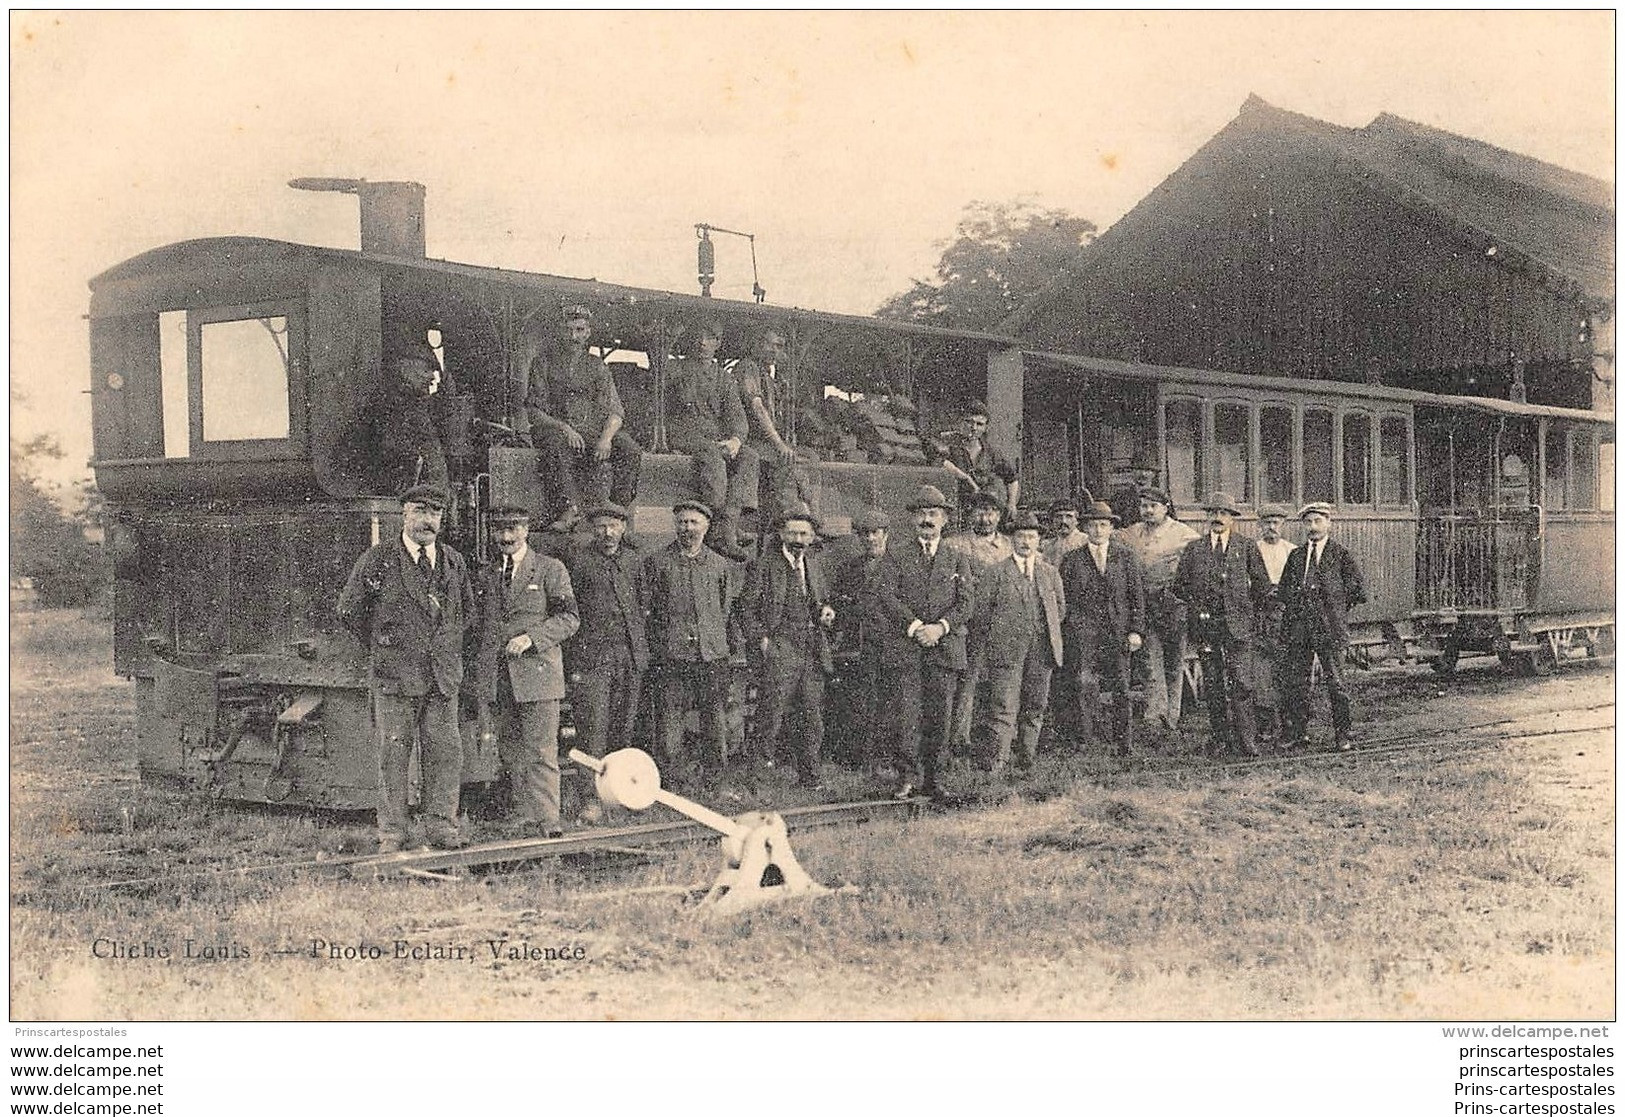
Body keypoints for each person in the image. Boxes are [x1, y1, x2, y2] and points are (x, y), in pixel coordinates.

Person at [336, 484, 475, 853]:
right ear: (404, 514)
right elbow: (349, 610)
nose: (427, 520)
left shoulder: (453, 562)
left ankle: (442, 827)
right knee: (393, 756)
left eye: (435, 513)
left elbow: (467, 616)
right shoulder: (379, 559)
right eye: (419, 511)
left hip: (441, 680)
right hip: (395, 678)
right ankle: (392, 833)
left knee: (445, 753)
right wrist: (385, 644)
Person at [474, 506, 580, 838]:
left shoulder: (550, 569)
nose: (506, 537)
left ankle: (549, 821)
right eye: (499, 530)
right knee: (509, 750)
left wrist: (531, 639)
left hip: (538, 676)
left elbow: (568, 619)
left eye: (513, 529)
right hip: (501, 678)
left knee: (542, 752)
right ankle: (522, 815)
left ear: (526, 530)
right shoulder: (487, 575)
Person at [874, 485, 975, 799]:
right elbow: (886, 596)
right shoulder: (896, 555)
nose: (927, 520)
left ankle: (935, 779)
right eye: (921, 514)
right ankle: (908, 777)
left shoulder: (957, 557)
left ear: (944, 519)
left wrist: (940, 628)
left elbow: (966, 603)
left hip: (944, 649)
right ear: (912, 519)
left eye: (933, 514)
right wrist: (917, 626)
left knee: (940, 717)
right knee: (908, 716)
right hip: (907, 649)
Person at [642, 500, 741, 784]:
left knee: (714, 719)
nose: (687, 528)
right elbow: (652, 609)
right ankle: (670, 781)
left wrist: (712, 639)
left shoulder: (719, 564)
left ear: (706, 526)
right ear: (675, 526)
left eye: (693, 522)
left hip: (710, 655)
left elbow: (724, 609)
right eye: (682, 522)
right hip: (672, 656)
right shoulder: (659, 562)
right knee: (670, 719)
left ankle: (716, 780)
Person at [521, 305, 642, 532]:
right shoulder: (543, 362)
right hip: (556, 429)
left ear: (587, 333)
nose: (572, 337)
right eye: (567, 330)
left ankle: (617, 509)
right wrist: (564, 427)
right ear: (559, 331)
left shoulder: (597, 366)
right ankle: (568, 511)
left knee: (629, 449)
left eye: (579, 330)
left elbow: (616, 411)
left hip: (591, 432)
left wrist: (605, 439)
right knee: (555, 444)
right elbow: (534, 412)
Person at [740, 504, 836, 787]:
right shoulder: (763, 565)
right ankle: (756, 779)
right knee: (770, 716)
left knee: (812, 717)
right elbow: (745, 610)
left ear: (811, 537)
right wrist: (762, 640)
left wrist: (826, 610)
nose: (798, 539)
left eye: (804, 534)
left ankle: (810, 776)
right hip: (780, 649)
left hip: (811, 651)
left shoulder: (814, 565)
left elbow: (822, 600)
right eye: (792, 532)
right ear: (781, 533)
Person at [1172, 492, 1270, 757]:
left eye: (1223, 513)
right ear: (1207, 517)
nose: (1218, 518)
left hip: (1238, 627)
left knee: (1242, 682)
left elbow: (1261, 585)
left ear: (1232, 518)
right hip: (1207, 628)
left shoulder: (1246, 546)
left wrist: (1246, 611)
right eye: (1213, 513)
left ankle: (1246, 739)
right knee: (1213, 684)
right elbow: (1180, 586)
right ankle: (1220, 739)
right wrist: (1198, 606)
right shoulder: (1195, 549)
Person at [969, 511, 1065, 775]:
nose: (1026, 541)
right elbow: (981, 614)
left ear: (1038, 541)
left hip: (1042, 649)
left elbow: (1060, 609)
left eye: (1031, 536)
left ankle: (1026, 759)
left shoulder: (1049, 573)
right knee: (1003, 707)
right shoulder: (996, 573)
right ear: (1012, 540)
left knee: (1035, 705)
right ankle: (998, 761)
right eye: (1021, 536)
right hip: (1006, 651)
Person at [664, 321, 758, 559]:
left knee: (749, 456)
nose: (702, 342)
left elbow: (737, 415)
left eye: (710, 337)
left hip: (712, 439)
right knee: (712, 456)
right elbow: (662, 380)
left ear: (718, 343)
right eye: (699, 336)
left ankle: (727, 525)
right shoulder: (677, 368)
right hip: (684, 434)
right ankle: (720, 528)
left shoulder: (723, 378)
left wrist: (736, 440)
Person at [1058, 501, 1145, 756]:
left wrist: (1136, 631)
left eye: (1103, 525)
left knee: (1121, 686)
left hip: (1118, 633)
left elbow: (1136, 597)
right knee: (1083, 684)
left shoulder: (1125, 557)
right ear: (1085, 528)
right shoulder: (1072, 560)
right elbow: (1066, 600)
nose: (1098, 530)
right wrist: (1074, 628)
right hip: (1084, 634)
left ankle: (1124, 742)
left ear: (1111, 528)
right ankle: (1084, 739)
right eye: (1093, 525)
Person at [1279, 502, 1368, 751]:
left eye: (1318, 521)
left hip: (1329, 631)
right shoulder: (1296, 556)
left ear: (1328, 523)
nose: (1313, 527)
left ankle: (1343, 734)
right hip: (1300, 630)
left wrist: (1335, 612)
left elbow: (1357, 591)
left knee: (1336, 684)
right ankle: (1298, 733)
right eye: (1308, 522)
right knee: (1297, 683)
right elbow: (1285, 591)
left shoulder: (1340, 555)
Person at [1117, 488, 1200, 732]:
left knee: (1174, 664)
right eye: (1144, 506)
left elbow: (1200, 557)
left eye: (1153, 506)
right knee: (1150, 663)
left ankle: (1171, 716)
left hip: (1173, 607)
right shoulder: (1132, 532)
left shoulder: (1184, 534)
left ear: (1166, 508)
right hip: (1145, 606)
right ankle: (1155, 717)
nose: (1148, 511)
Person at [944, 489, 1014, 757]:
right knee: (967, 683)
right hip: (969, 626)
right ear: (970, 514)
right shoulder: (955, 545)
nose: (985, 518)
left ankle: (1000, 738)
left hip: (1002, 626)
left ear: (999, 515)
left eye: (991, 512)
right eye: (980, 512)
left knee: (1003, 682)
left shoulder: (1009, 546)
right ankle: (960, 740)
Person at [830, 507, 898, 770]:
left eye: (875, 533)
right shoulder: (850, 568)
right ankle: (861, 759)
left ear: (885, 535)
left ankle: (886, 758)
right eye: (864, 534)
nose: (870, 538)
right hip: (858, 645)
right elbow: (838, 600)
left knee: (889, 703)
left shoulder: (896, 565)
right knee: (860, 702)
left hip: (889, 645)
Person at [732, 327, 814, 530]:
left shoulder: (767, 375)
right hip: (750, 441)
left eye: (779, 346)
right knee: (787, 462)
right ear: (758, 344)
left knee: (810, 459)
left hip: (765, 444)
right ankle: (794, 523)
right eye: (771, 344)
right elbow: (757, 408)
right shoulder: (748, 368)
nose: (775, 351)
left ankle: (808, 518)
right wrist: (779, 444)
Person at [369, 340, 450, 494]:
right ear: (405, 368)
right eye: (427, 370)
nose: (432, 378)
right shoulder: (392, 405)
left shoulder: (416, 406)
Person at [1253, 505, 1298, 745]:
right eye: (1267, 522)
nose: (1271, 527)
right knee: (1262, 672)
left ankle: (1288, 724)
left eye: (1276, 523)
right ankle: (1265, 724)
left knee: (1286, 670)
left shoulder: (1292, 551)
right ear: (1259, 525)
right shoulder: (1253, 550)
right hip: (1260, 616)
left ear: (1283, 525)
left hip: (1284, 616)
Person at [939, 400, 1019, 522]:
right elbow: (938, 460)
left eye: (979, 424)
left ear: (986, 427)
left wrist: (1011, 503)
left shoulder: (991, 453)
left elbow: (1012, 479)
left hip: (981, 514)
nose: (973, 428)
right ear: (961, 422)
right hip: (954, 510)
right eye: (969, 422)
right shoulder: (949, 446)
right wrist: (964, 476)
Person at [1041, 498, 1089, 568]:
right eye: (1058, 517)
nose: (1064, 521)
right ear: (1053, 520)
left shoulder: (1085, 542)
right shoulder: (1048, 547)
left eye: (1069, 516)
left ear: (1077, 520)